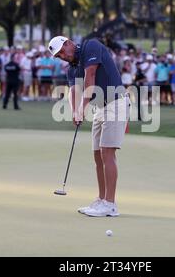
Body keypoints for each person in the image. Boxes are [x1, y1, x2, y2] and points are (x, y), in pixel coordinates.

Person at [48, 36, 130, 217]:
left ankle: (110, 204)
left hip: (116, 103)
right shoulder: (72, 69)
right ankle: (101, 200)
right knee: (97, 155)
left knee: (107, 153)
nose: (62, 55)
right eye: (58, 55)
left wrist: (82, 108)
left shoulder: (90, 46)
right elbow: (73, 91)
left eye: (62, 50)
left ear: (69, 43)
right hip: (101, 107)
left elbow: (90, 77)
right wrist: (74, 111)